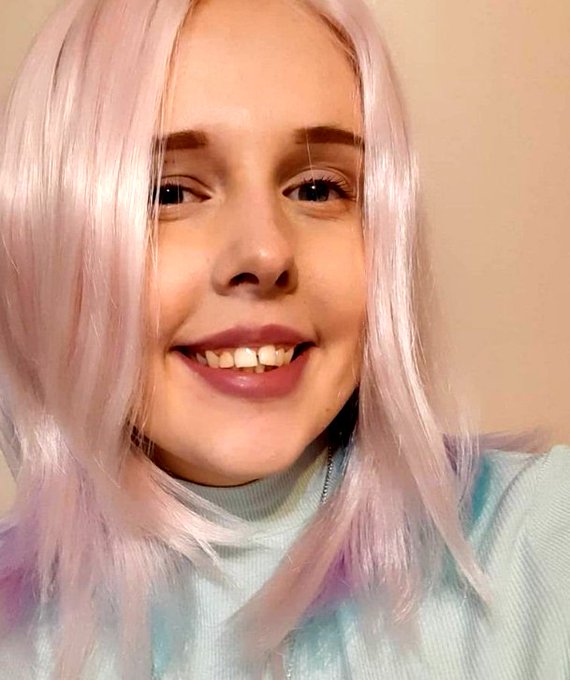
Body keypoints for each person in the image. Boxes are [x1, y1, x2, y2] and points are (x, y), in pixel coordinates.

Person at [0, 0, 568, 678]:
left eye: (319, 188)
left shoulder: (541, 535)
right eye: (169, 193)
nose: (266, 252)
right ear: (49, 236)